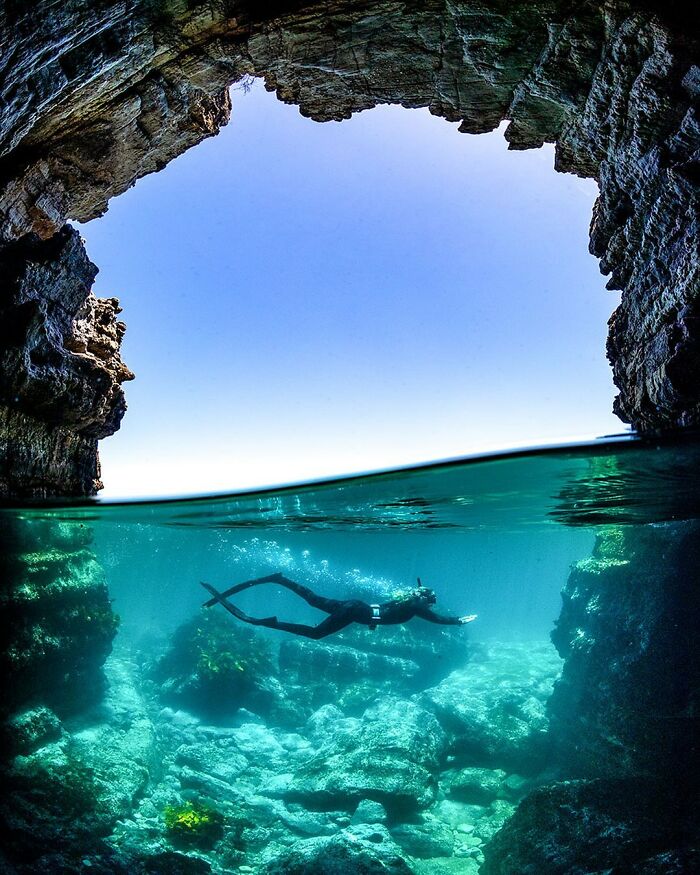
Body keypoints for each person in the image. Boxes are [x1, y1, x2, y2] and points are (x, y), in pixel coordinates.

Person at [201, 573, 477, 640]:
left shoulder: (406, 600)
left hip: (354, 606)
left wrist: (372, 621)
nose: (430, 605)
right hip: (353, 611)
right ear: (426, 599)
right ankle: (268, 622)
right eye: (431, 601)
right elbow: (439, 620)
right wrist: (459, 621)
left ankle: (280, 579)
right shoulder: (416, 606)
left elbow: (382, 609)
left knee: (311, 598)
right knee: (315, 634)